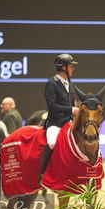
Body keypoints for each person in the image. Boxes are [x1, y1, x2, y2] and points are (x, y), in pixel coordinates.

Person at [38, 54, 79, 183]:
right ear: (63, 67)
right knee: (52, 143)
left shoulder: (71, 84)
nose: (73, 68)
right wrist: (72, 110)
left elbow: (73, 103)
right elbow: (52, 106)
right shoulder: (51, 83)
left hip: (68, 121)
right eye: (71, 66)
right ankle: (42, 173)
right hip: (55, 122)